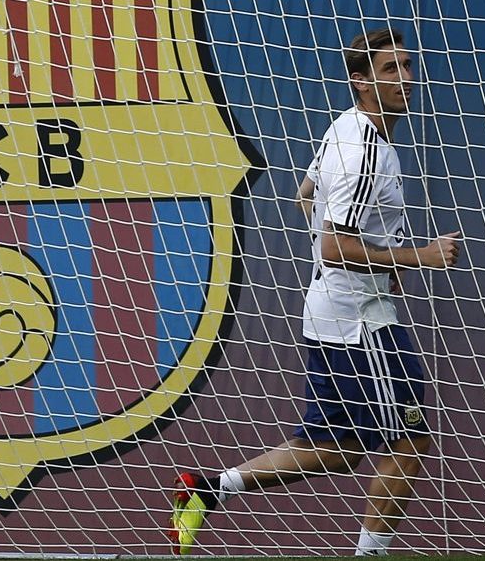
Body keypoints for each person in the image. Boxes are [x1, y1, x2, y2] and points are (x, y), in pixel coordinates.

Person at [168, 27, 461, 556]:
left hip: (334, 308)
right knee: (410, 441)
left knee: (340, 447)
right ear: (360, 80)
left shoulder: (345, 131)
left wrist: (369, 255)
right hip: (360, 321)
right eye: (391, 69)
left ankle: (208, 489)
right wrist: (421, 257)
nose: (406, 79)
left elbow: (304, 194)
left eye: (408, 66)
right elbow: (332, 246)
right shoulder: (364, 152)